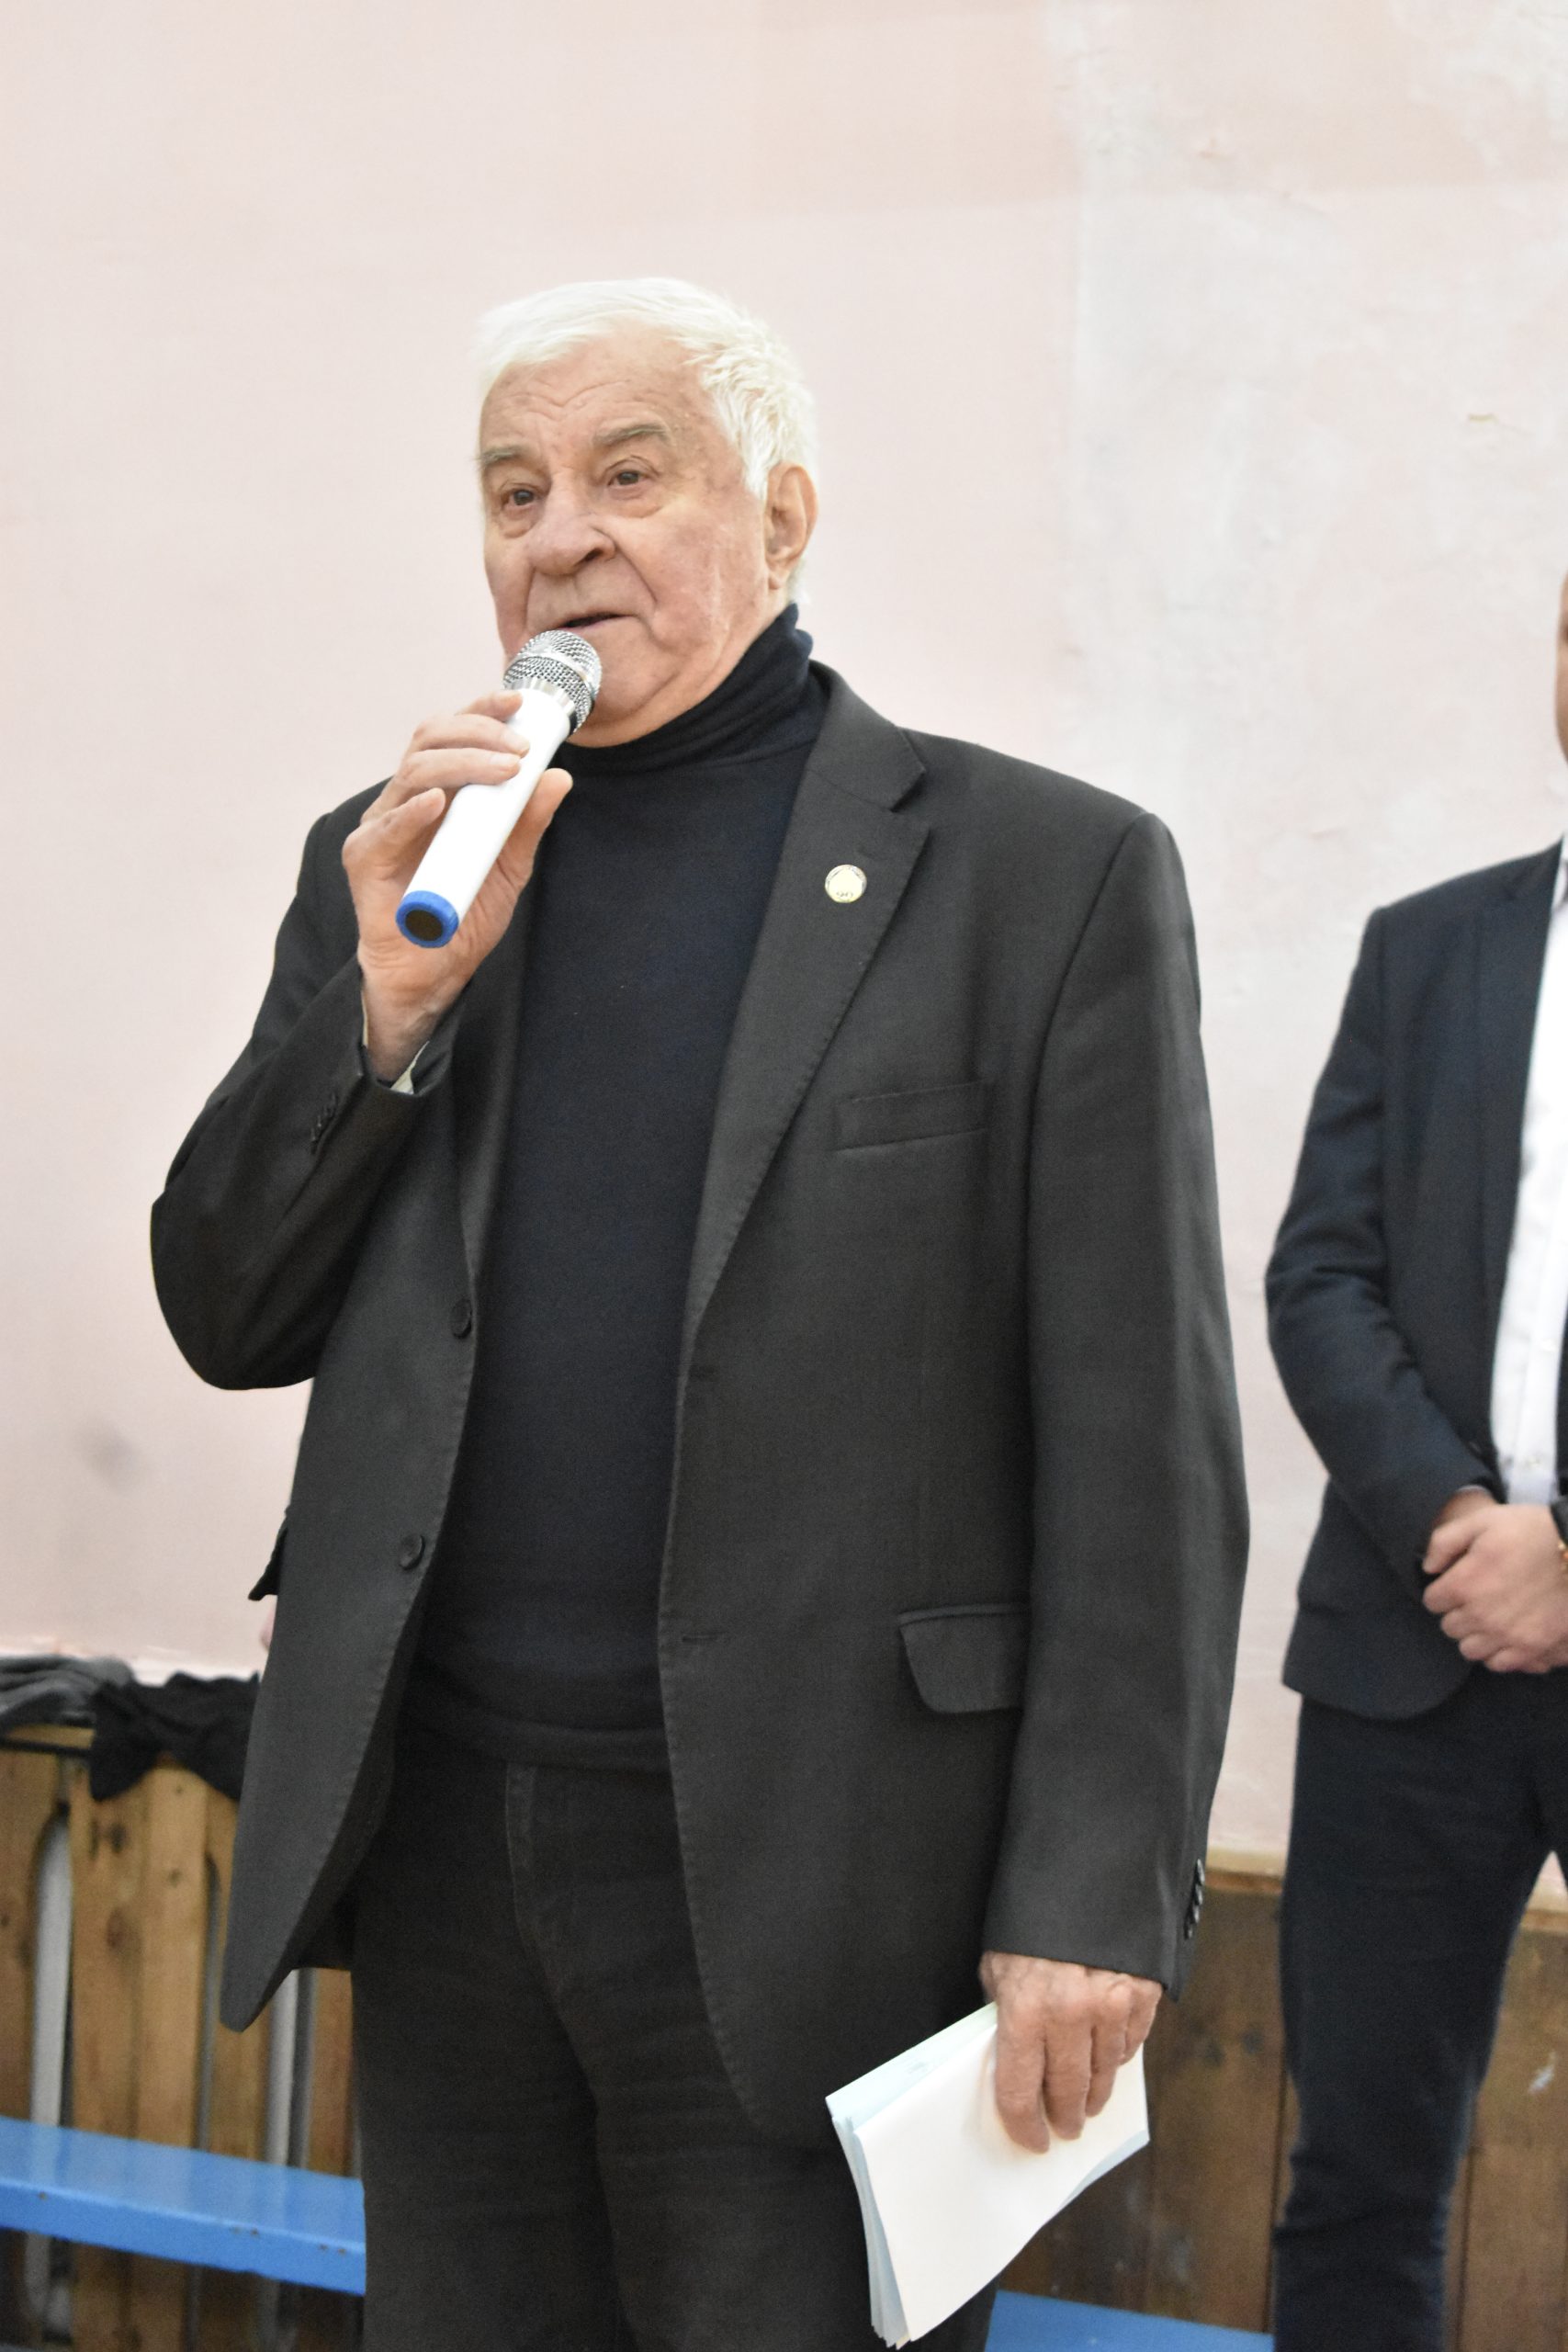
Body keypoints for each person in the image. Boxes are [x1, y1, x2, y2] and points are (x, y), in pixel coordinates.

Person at [152, 277, 1247, 2352]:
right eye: (514, 492)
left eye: (627, 475)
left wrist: (1091, 1888)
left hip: (826, 1876)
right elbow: (227, 1305)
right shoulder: (402, 869)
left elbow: (1142, 1441)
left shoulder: (1038, 876)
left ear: (783, 517)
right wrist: (383, 1013)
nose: (559, 536)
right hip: (447, 1840)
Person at [1268, 575, 1568, 2352]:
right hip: (1408, 1646)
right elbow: (1321, 1274)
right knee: (1359, 2185)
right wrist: (1456, 1519)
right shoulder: (1428, 947)